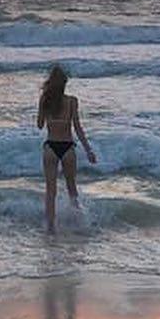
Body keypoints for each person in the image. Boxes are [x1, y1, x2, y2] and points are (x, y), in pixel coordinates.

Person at [36, 64, 96, 234]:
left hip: (50, 147)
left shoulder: (45, 100)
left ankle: (51, 228)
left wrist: (43, 109)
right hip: (68, 147)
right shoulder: (72, 101)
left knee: (50, 191)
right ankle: (79, 223)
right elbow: (77, 128)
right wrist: (88, 150)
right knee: (72, 188)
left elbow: (39, 126)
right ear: (64, 83)